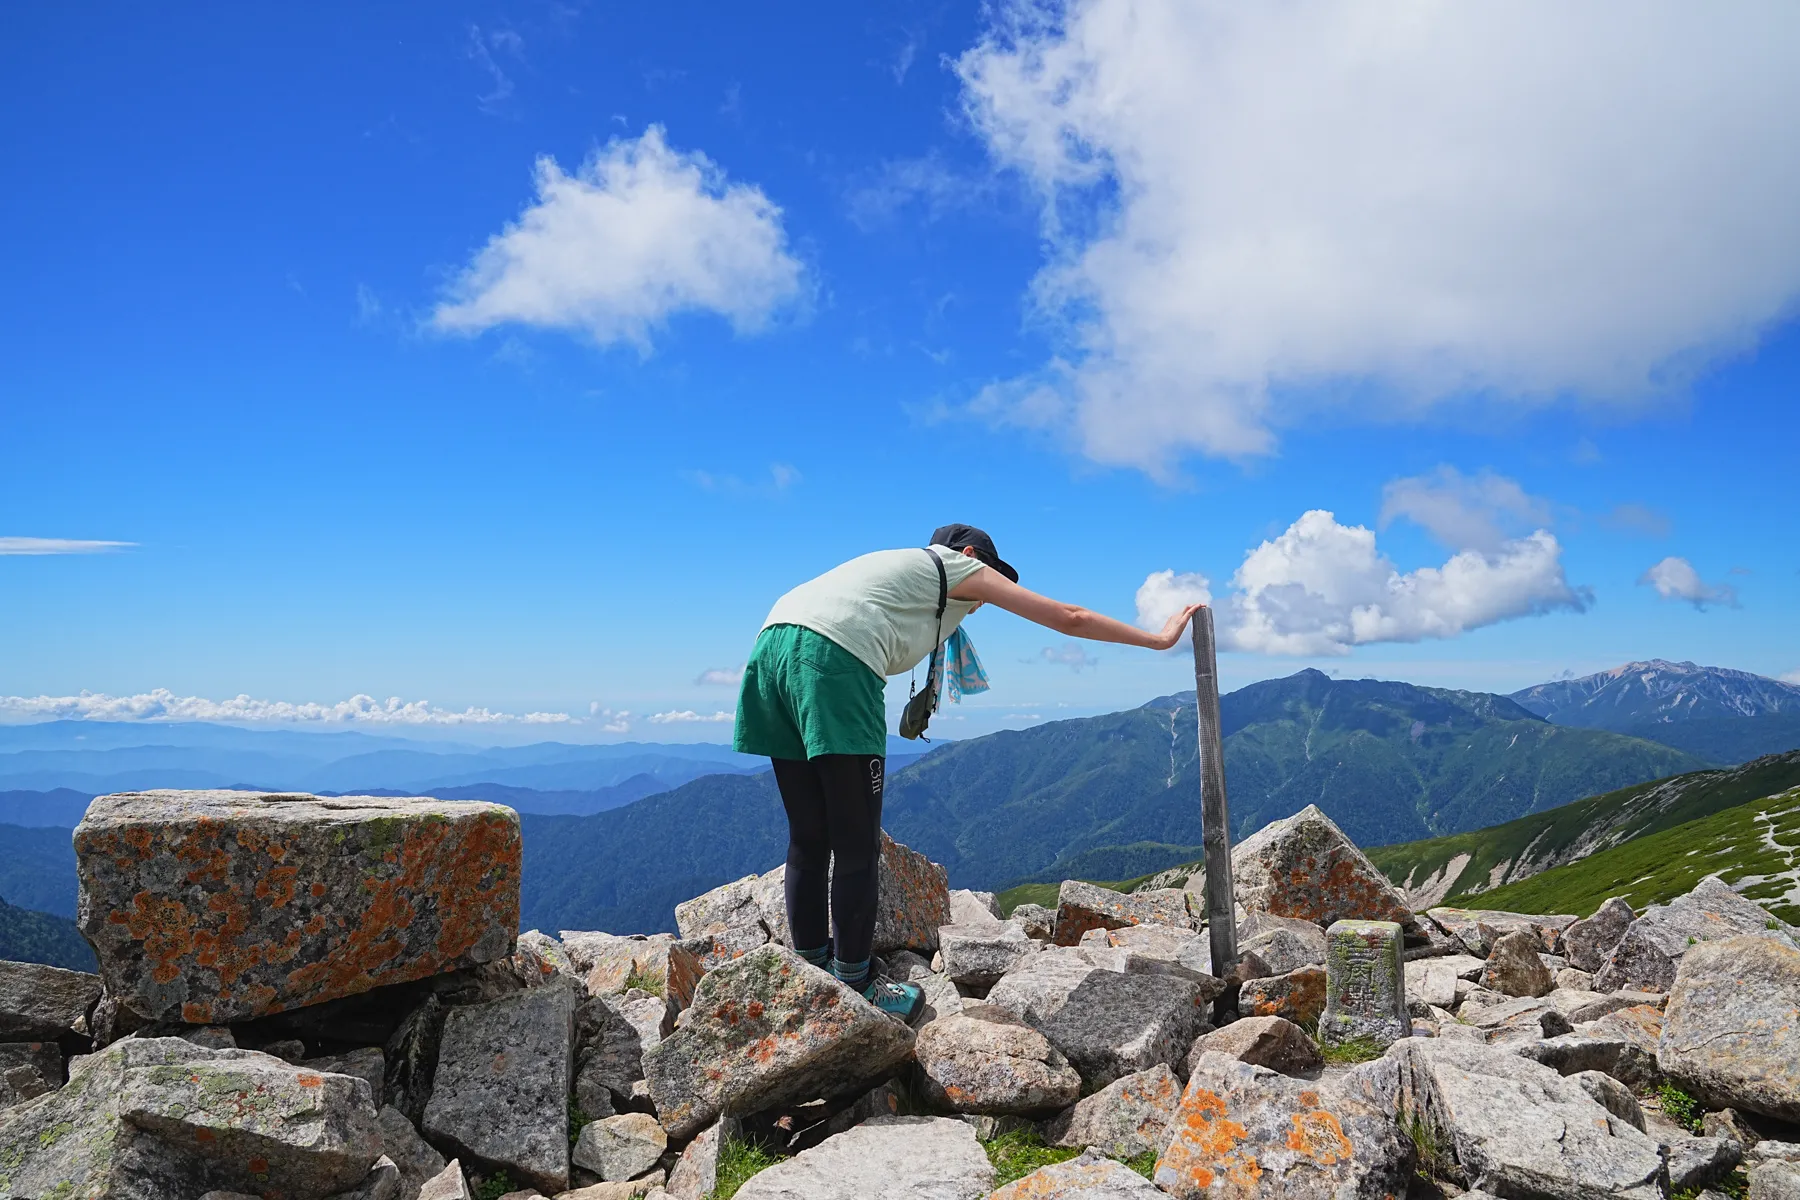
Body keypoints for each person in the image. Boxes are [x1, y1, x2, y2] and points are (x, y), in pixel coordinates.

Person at [732, 524, 1205, 1022]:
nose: (984, 600)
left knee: (809, 835)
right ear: (973, 556)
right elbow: (1071, 617)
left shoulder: (902, 574)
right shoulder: (962, 569)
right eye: (993, 581)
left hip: (771, 648)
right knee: (856, 845)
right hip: (835, 660)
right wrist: (1159, 639)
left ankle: (809, 966)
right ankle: (856, 981)